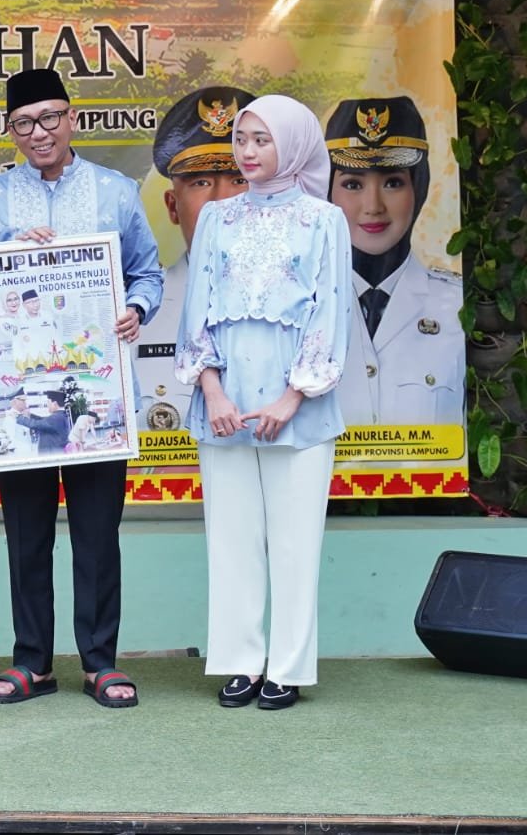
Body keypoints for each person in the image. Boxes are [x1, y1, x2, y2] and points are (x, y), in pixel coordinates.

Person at [0, 68, 163, 709]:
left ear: (72, 118)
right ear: (11, 131)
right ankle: (33, 661)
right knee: (27, 534)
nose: (39, 132)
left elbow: (148, 272)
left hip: (96, 394)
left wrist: (136, 308)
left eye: (49, 117)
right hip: (22, 393)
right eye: (24, 123)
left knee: (97, 533)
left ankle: (101, 662)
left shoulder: (116, 192)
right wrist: (5, 255)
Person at [174, 94, 351, 711]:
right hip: (224, 404)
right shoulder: (216, 218)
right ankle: (240, 661)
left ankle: (289, 667)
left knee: (296, 544)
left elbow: (330, 312)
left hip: (297, 407)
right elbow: (196, 310)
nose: (247, 152)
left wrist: (292, 397)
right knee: (232, 540)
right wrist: (212, 390)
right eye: (241, 140)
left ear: (294, 145)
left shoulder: (324, 220)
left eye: (261, 140)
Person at [323, 97, 464, 426]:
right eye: (353, 184)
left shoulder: (455, 305)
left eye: (392, 183)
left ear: (419, 188)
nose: (373, 206)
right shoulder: (302, 306)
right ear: (327, 193)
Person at [134, 86, 254, 432]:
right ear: (172, 206)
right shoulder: (139, 312)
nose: (222, 201)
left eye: (239, 179)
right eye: (201, 182)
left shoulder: (302, 300)